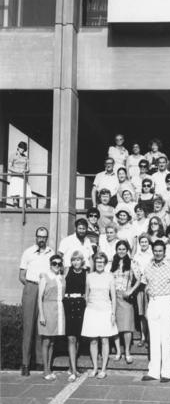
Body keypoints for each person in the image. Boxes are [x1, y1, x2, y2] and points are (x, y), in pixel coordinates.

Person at [141, 240, 170, 382]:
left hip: (166, 301)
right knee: (154, 338)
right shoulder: (148, 266)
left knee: (165, 338)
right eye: (155, 250)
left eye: (160, 251)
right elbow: (145, 289)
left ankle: (166, 373)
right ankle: (153, 372)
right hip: (153, 302)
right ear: (153, 251)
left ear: (164, 251)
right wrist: (146, 308)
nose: (158, 253)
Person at [19, 226, 54, 376]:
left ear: (47, 238)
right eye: (39, 236)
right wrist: (30, 286)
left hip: (45, 291)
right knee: (28, 328)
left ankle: (40, 362)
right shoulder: (28, 252)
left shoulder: (51, 253)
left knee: (42, 327)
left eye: (44, 237)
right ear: (36, 237)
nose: (41, 239)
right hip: (31, 288)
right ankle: (25, 364)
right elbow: (21, 275)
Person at [81, 252, 118, 379]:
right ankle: (95, 368)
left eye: (102, 262)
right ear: (94, 263)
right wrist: (90, 307)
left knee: (105, 340)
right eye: (97, 262)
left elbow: (113, 297)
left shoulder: (110, 276)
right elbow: (86, 295)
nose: (100, 264)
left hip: (106, 311)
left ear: (106, 263)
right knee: (93, 340)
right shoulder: (89, 276)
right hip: (92, 311)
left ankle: (103, 369)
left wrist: (113, 313)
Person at [111, 240, 140, 364]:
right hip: (114, 297)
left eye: (124, 249)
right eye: (119, 249)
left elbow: (140, 279)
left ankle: (127, 351)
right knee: (115, 326)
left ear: (127, 250)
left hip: (126, 297)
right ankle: (118, 351)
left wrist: (131, 291)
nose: (121, 251)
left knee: (127, 327)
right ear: (116, 250)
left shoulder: (132, 263)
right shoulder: (112, 263)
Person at [38, 254, 65, 380]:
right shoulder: (45, 277)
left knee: (53, 341)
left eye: (59, 263)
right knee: (46, 341)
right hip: (48, 309)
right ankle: (45, 370)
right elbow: (40, 297)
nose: (57, 266)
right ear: (50, 264)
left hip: (58, 310)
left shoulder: (61, 277)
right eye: (54, 263)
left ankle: (49, 367)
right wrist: (42, 314)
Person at [63, 251, 87, 382]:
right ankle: (73, 369)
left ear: (82, 261)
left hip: (81, 305)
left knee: (77, 338)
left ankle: (72, 365)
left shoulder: (86, 273)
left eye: (78, 260)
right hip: (69, 305)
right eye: (73, 260)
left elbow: (87, 290)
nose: (75, 262)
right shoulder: (67, 271)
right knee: (71, 338)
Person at [132, 233, 153, 346]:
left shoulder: (152, 255)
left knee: (149, 312)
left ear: (149, 243)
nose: (143, 244)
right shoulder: (136, 256)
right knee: (141, 313)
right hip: (140, 285)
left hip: (151, 286)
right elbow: (135, 271)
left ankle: (150, 337)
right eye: (142, 242)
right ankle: (143, 337)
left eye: (145, 242)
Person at [8, 141, 32, 208]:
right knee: (15, 194)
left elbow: (28, 168)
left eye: (24, 149)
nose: (22, 150)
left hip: (23, 178)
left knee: (27, 194)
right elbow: (9, 167)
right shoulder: (13, 155)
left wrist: (25, 170)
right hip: (15, 177)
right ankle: (16, 208)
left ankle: (29, 209)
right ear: (18, 147)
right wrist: (18, 171)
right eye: (21, 148)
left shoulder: (25, 157)